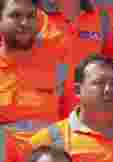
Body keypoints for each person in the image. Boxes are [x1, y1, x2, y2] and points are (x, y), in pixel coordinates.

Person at [0, 0, 74, 145]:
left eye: (31, 16)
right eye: (15, 16)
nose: (24, 23)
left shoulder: (57, 58)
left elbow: (70, 108)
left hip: (49, 156)